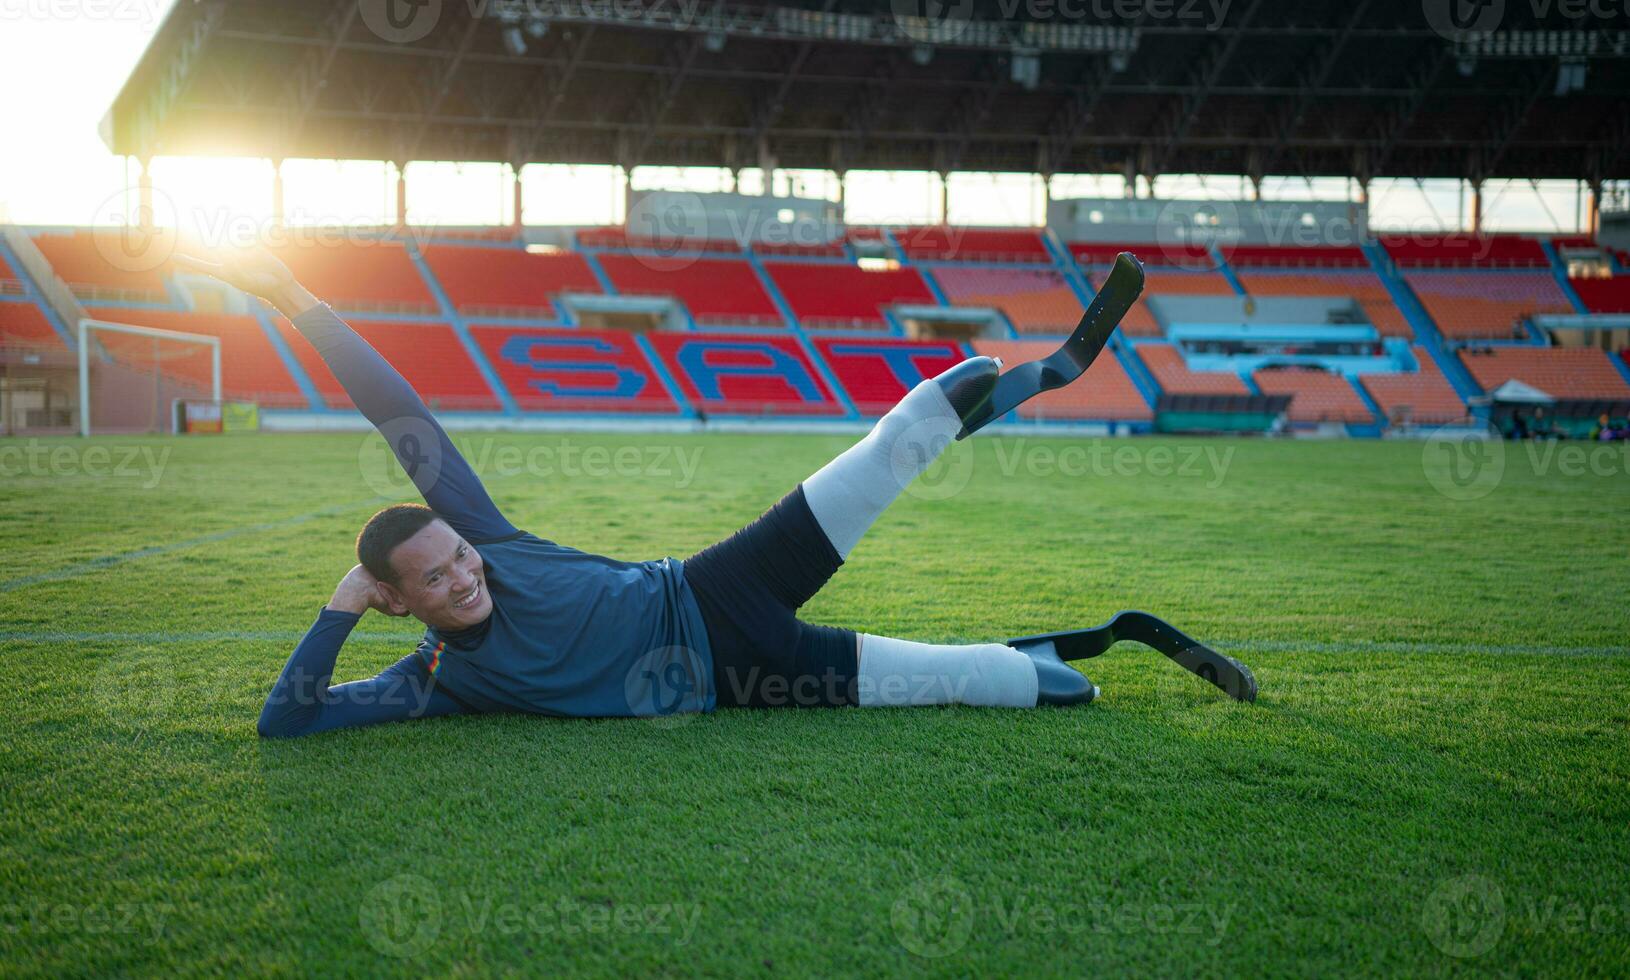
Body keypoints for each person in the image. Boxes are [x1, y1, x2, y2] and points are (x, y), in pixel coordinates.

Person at [177, 247, 1095, 739]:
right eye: (435, 579)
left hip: (712, 586)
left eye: (457, 554)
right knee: (975, 683)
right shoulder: (435, 684)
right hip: (740, 685)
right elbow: (286, 720)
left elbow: (398, 411)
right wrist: (342, 604)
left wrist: (299, 301)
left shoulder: (488, 538)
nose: (463, 575)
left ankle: (978, 399)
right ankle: (1032, 664)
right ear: (397, 600)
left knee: (881, 454)